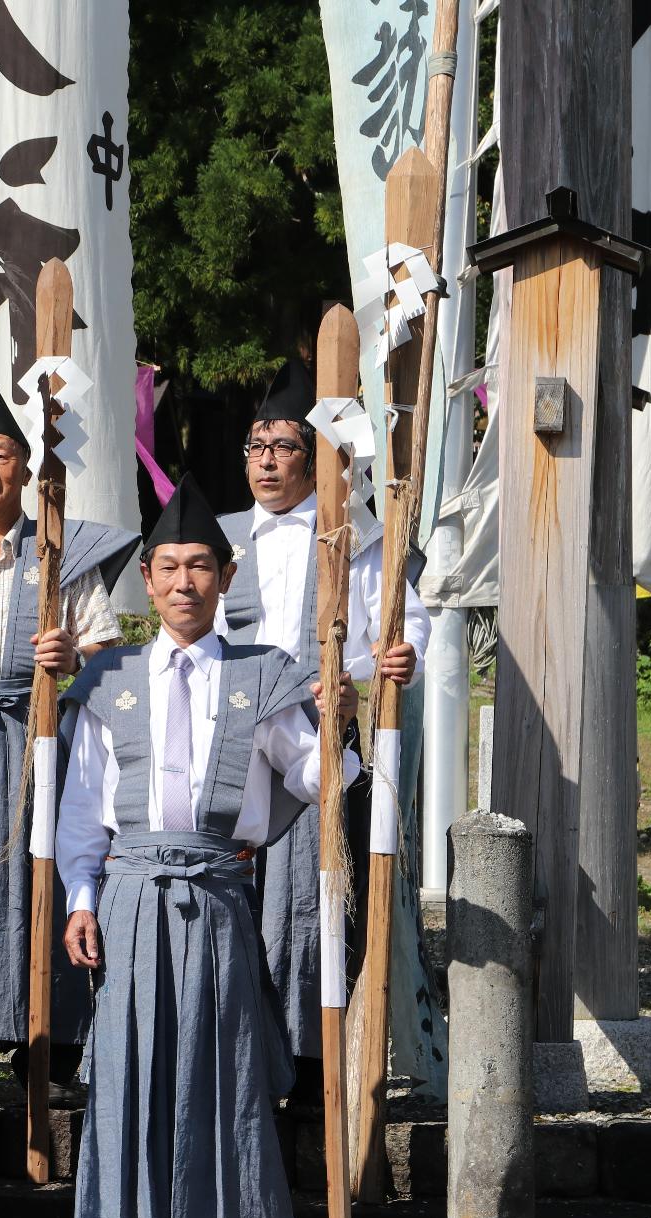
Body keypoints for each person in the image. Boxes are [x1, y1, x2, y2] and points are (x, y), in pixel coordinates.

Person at [56, 476, 360, 1218]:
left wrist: (338, 722)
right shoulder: (108, 678)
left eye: (201, 567)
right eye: (169, 567)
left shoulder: (263, 677)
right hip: (127, 897)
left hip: (221, 896)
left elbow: (316, 780)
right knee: (127, 1081)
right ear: (146, 582)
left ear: (227, 579)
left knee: (223, 1078)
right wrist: (80, 895)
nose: (185, 582)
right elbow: (83, 805)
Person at [0, 381, 139, 1105]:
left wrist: (72, 655)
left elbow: (110, 655)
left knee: (46, 875)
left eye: (3, 454)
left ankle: (60, 1046)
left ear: (24, 469)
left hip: (42, 742)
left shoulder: (62, 556)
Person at [216, 360, 428, 1089]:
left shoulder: (351, 533)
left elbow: (406, 630)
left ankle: (311, 1062)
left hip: (319, 735)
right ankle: (242, 1055)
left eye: (282, 446)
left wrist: (378, 666)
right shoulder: (220, 543)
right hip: (238, 745)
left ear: (316, 455)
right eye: (254, 445)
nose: (266, 460)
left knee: (314, 903)